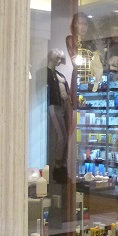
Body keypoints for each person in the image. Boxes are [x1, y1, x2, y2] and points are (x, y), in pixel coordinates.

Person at [47, 48, 71, 183]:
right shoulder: (47, 74)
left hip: (62, 107)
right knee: (61, 137)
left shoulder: (58, 74)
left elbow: (65, 92)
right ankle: (57, 166)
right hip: (53, 106)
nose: (60, 61)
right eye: (58, 58)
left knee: (65, 137)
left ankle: (61, 165)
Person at [66, 11, 104, 91]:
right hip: (79, 75)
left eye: (85, 24)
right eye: (80, 24)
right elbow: (75, 59)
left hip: (91, 76)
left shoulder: (91, 42)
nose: (82, 27)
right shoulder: (71, 40)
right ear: (75, 25)